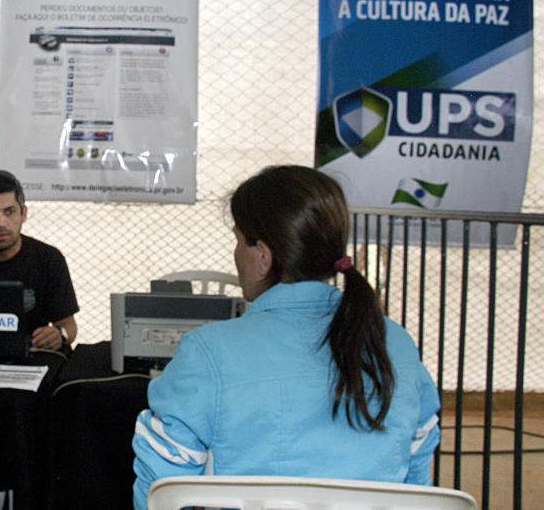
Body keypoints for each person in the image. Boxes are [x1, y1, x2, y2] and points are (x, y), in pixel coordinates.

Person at [132, 165, 441, 509]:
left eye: (237, 240)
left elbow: (161, 489)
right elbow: (418, 482)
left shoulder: (208, 351)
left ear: (262, 256)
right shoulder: (396, 344)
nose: (235, 254)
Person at [0, 170, 78, 350]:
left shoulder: (49, 259)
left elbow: (69, 326)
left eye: (9, 212)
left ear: (23, 214)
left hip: (31, 358)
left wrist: (59, 335)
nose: (0, 223)